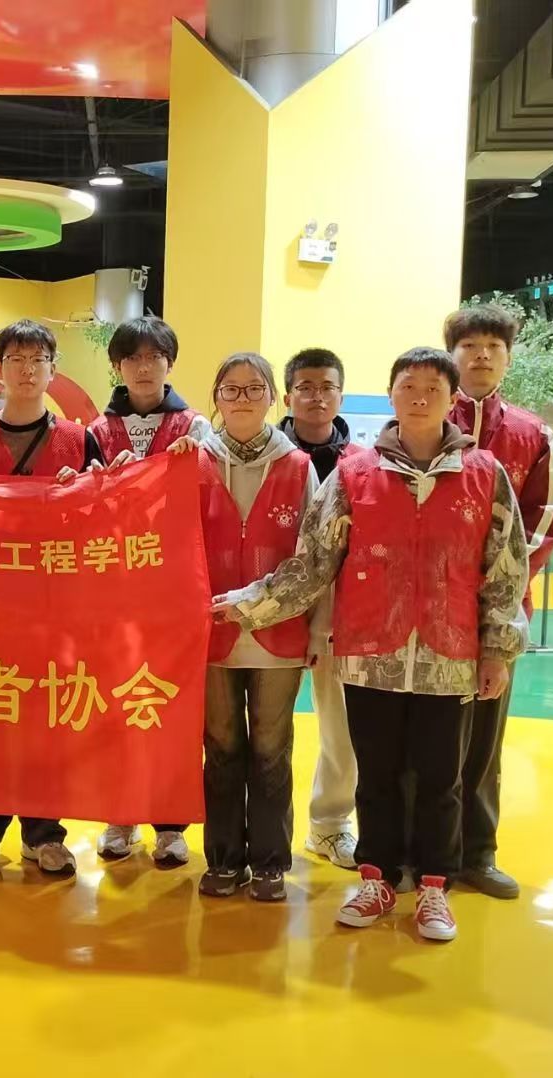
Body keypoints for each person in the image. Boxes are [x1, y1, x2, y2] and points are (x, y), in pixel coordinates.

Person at [214, 347, 528, 943]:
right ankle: (377, 879)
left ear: (451, 398)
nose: (419, 396)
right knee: (375, 775)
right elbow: (313, 561)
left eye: (433, 387)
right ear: (390, 395)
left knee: (442, 779)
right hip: (368, 654)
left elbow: (505, 571)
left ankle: (433, 888)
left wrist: (497, 650)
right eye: (408, 385)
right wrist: (252, 604)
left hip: (448, 656)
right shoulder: (355, 474)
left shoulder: (484, 475)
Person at [0, 318, 106, 877]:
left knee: (48, 716)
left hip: (54, 604)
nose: (26, 369)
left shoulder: (80, 441)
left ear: (53, 369)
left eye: (37, 359)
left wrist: (86, 492)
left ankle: (45, 833)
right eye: (15, 359)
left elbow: (100, 524)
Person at [446, 304, 553, 900]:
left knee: (485, 737)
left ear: (508, 358)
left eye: (493, 346)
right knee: (423, 732)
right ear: (452, 355)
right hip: (428, 609)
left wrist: (498, 585)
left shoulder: (532, 434)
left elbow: (548, 517)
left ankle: (478, 853)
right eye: (470, 345)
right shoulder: (422, 421)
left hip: (499, 613)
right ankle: (416, 851)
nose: (482, 356)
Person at [195, 354, 325, 902]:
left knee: (272, 749)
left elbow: (317, 558)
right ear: (217, 398)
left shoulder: (299, 466)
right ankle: (224, 859)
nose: (242, 398)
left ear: (273, 397)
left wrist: (318, 631)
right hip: (211, 634)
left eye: (254, 389)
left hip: (281, 634)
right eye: (231, 389)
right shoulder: (192, 462)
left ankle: (271, 862)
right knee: (221, 747)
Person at [87, 315, 212, 867]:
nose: (143, 367)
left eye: (154, 357)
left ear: (169, 363)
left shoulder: (196, 426)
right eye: (132, 358)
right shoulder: (95, 430)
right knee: (116, 702)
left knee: (169, 703)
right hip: (113, 591)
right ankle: (120, 814)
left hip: (174, 589)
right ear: (117, 366)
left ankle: (169, 822)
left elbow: (208, 499)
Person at [279, 348, 363, 871]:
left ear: (340, 395)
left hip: (339, 617)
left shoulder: (362, 465)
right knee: (261, 733)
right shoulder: (265, 456)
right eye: (305, 387)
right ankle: (257, 831)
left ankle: (329, 826)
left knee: (341, 727)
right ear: (287, 396)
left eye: (327, 387)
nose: (316, 397)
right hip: (268, 608)